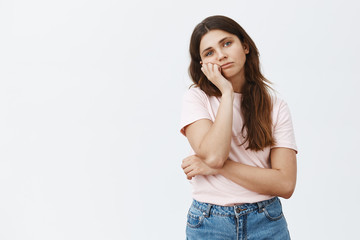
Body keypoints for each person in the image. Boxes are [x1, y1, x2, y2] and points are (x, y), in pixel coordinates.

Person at [179, 15, 298, 240]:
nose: (221, 55)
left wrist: (219, 168)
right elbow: (215, 155)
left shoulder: (275, 106)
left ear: (244, 46)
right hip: (209, 222)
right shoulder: (196, 98)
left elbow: (285, 184)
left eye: (226, 43)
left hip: (267, 221)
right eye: (209, 52)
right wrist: (226, 92)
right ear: (202, 65)